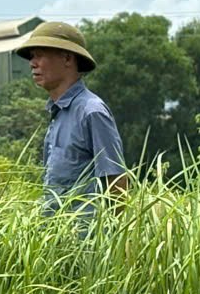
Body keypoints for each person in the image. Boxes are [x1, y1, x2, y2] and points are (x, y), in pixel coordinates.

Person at [14, 21, 127, 215]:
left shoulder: (91, 112)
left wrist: (114, 239)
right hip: (57, 237)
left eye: (40, 55)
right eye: (32, 57)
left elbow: (116, 180)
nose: (33, 64)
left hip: (86, 240)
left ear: (67, 58)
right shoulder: (58, 113)